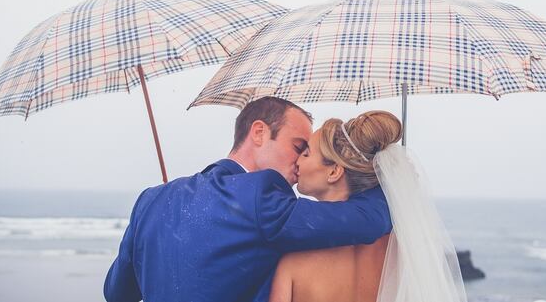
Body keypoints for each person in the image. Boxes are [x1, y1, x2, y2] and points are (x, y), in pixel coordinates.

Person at [103, 97, 392, 302]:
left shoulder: (151, 200)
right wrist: (377, 173)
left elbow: (118, 293)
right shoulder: (262, 195)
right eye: (298, 147)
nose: (299, 162)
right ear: (258, 132)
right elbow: (365, 222)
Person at [269, 111, 468, 302]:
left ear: (334, 172)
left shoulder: (292, 261)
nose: (297, 160)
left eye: (306, 153)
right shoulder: (405, 253)